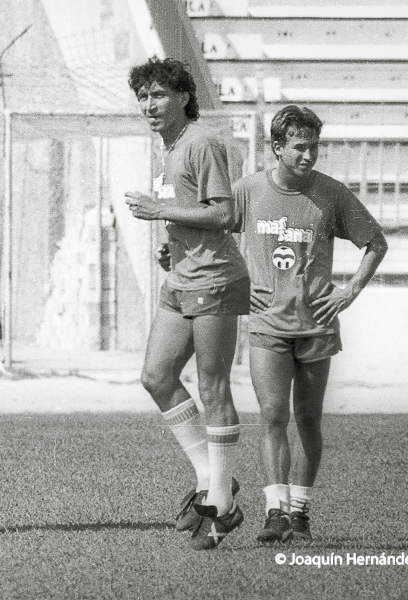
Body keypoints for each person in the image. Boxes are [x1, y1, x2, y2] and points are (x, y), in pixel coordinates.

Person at [234, 106, 386, 543]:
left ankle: (299, 510)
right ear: (277, 147)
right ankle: (274, 511)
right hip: (267, 325)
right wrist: (237, 283)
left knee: (307, 419)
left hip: (317, 323)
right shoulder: (248, 191)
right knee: (271, 415)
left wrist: (350, 291)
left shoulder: (331, 194)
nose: (308, 155)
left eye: (314, 146)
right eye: (300, 147)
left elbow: (376, 242)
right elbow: (216, 233)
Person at [125, 57, 250, 550]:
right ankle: (210, 476)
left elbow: (224, 213)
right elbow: (195, 213)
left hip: (215, 279)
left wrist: (160, 212)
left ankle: (220, 504)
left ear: (182, 97)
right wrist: (171, 237)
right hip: (182, 276)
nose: (149, 105)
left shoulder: (200, 142)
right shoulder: (170, 146)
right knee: (156, 376)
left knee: (213, 386)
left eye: (158, 95)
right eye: (143, 97)